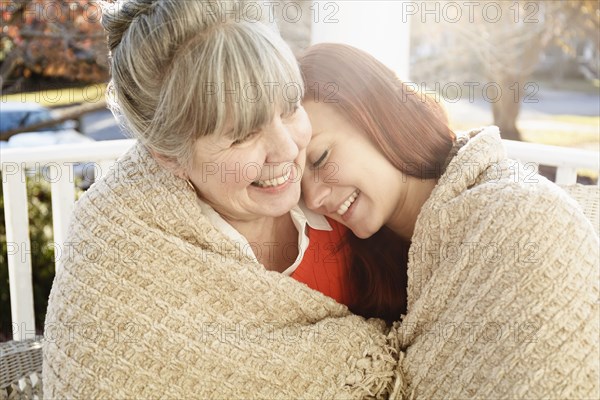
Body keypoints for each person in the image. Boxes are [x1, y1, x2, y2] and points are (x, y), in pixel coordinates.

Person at [42, 3, 406, 398]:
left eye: (289, 108)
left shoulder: (344, 206)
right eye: (242, 135)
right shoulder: (123, 274)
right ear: (169, 156)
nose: (286, 149)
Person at [298, 43, 599, 399]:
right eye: (299, 184)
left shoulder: (515, 216)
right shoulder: (370, 258)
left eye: (320, 158)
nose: (314, 198)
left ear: (378, 115)